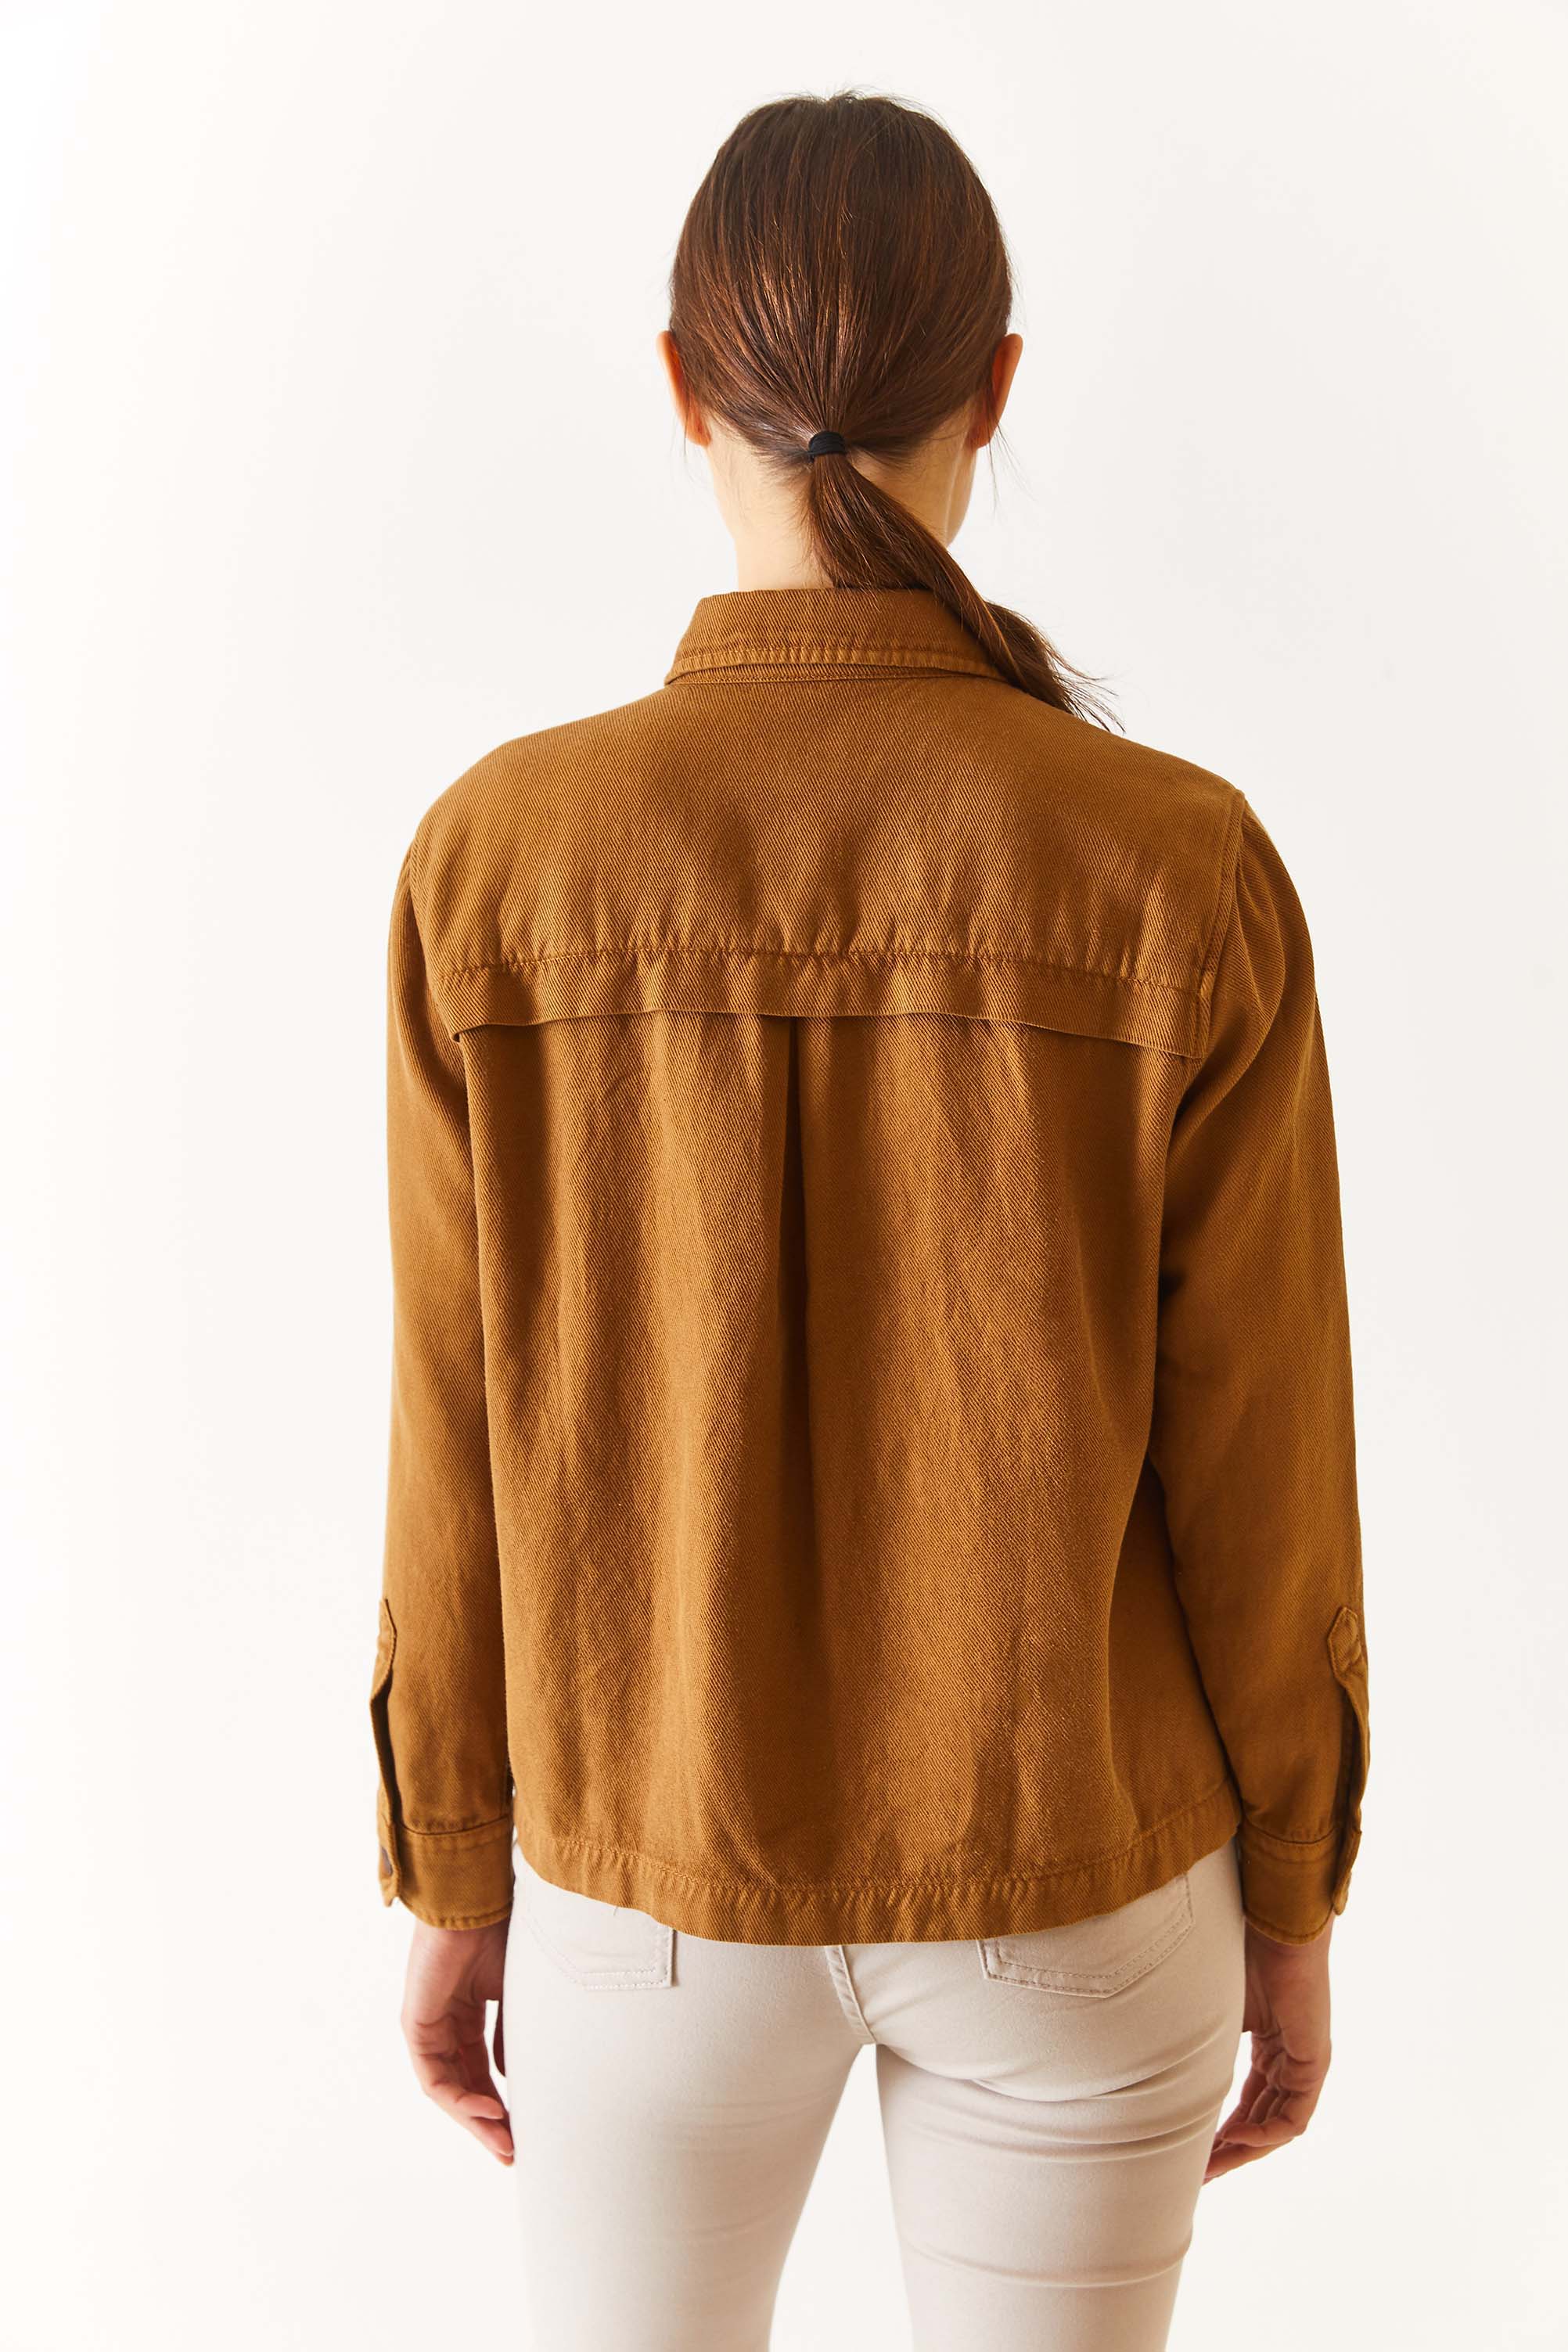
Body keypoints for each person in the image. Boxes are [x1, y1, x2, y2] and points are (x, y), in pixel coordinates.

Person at [369, 88, 1369, 2352]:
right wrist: (1294, 1889)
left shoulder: (495, 861)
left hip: (645, 1880)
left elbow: (456, 1425)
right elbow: (1263, 1444)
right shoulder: (1177, 862)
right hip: (1079, 1877)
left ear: (677, 384)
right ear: (993, 388)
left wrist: (450, 1865)